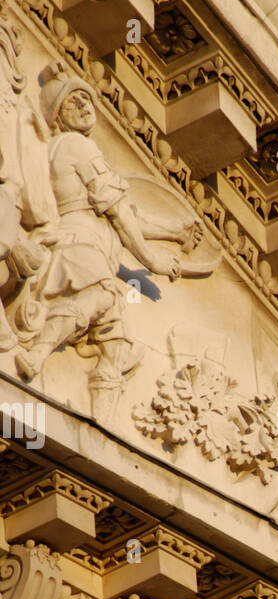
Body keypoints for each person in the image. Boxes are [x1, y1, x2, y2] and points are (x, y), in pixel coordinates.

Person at [15, 62, 199, 417]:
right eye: (73, 103)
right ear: (57, 116)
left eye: (88, 100)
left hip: (90, 245)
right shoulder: (76, 146)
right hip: (79, 245)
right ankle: (37, 353)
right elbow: (115, 209)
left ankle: (101, 425)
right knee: (100, 294)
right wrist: (152, 260)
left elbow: (125, 213)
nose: (85, 107)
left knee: (116, 345)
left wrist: (174, 233)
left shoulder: (61, 148)